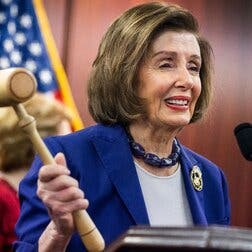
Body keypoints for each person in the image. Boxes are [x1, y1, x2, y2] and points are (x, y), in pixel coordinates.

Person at [14, 2, 231, 251]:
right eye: (166, 64)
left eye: (194, 67)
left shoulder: (211, 178)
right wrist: (58, 232)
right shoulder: (67, 158)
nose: (187, 81)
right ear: (125, 74)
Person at [0, 93, 73, 252]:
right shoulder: (3, 198)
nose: (72, 152)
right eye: (65, 142)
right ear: (36, 145)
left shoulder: (39, 195)